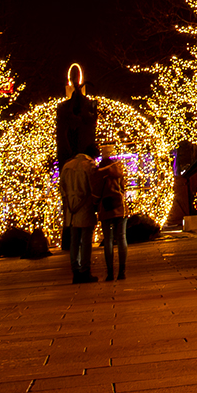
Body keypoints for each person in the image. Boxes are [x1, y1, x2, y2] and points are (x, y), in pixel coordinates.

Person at [55, 66, 96, 248]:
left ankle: (72, 243)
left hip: (76, 155)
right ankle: (73, 243)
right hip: (72, 155)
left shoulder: (86, 105)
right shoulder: (65, 108)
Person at [59, 147, 101, 285]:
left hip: (71, 209)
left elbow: (62, 188)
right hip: (85, 206)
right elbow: (94, 187)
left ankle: (75, 271)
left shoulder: (67, 166)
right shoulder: (89, 165)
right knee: (86, 241)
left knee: (74, 242)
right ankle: (85, 270)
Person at [95, 154, 128, 281]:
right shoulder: (119, 174)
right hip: (120, 209)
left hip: (106, 210)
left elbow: (96, 192)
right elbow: (124, 189)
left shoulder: (100, 176)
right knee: (121, 238)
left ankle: (110, 272)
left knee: (108, 240)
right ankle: (122, 271)